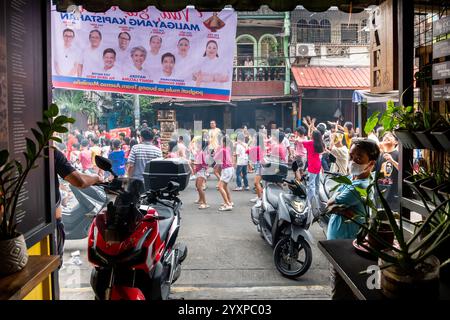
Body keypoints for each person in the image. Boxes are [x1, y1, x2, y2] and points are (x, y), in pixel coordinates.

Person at [325, 139, 380, 300]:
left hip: (345, 245)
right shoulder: (353, 179)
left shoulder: (359, 186)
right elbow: (331, 203)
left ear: (371, 163)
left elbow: (330, 203)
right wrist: (335, 204)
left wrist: (335, 204)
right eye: (351, 156)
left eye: (359, 157)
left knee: (341, 290)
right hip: (340, 243)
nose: (353, 161)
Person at [54, 148, 101, 264]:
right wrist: (97, 178)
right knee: (54, 265)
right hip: (52, 223)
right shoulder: (51, 152)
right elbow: (79, 181)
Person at [375, 132, 400, 211]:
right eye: (384, 137)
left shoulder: (398, 154)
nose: (386, 137)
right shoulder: (379, 155)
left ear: (396, 142)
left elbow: (403, 171)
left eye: (390, 136)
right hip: (379, 194)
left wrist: (392, 161)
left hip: (393, 195)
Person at [301, 130, 324, 213]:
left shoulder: (310, 143)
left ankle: (312, 203)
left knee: (311, 185)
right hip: (318, 164)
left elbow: (302, 142)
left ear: (313, 136)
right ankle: (317, 201)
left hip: (312, 165)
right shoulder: (320, 143)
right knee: (317, 184)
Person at [214, 136, 234, 211]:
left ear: (224, 142)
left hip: (226, 170)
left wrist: (217, 150)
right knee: (225, 186)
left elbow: (215, 158)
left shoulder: (222, 150)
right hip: (230, 168)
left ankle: (227, 204)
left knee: (220, 187)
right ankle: (229, 202)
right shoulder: (228, 148)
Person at [247, 133, 265, 204]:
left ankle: (260, 199)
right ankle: (259, 197)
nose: (253, 139)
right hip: (259, 165)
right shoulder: (259, 147)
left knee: (256, 183)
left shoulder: (257, 147)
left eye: (254, 138)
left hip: (260, 165)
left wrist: (249, 146)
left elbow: (247, 151)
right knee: (257, 183)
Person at [194, 139, 210, 209]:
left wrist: (194, 168)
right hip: (200, 171)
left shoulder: (202, 153)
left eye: (198, 144)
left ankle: (205, 203)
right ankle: (200, 200)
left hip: (201, 171)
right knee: (197, 186)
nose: (197, 145)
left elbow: (200, 164)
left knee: (199, 187)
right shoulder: (202, 152)